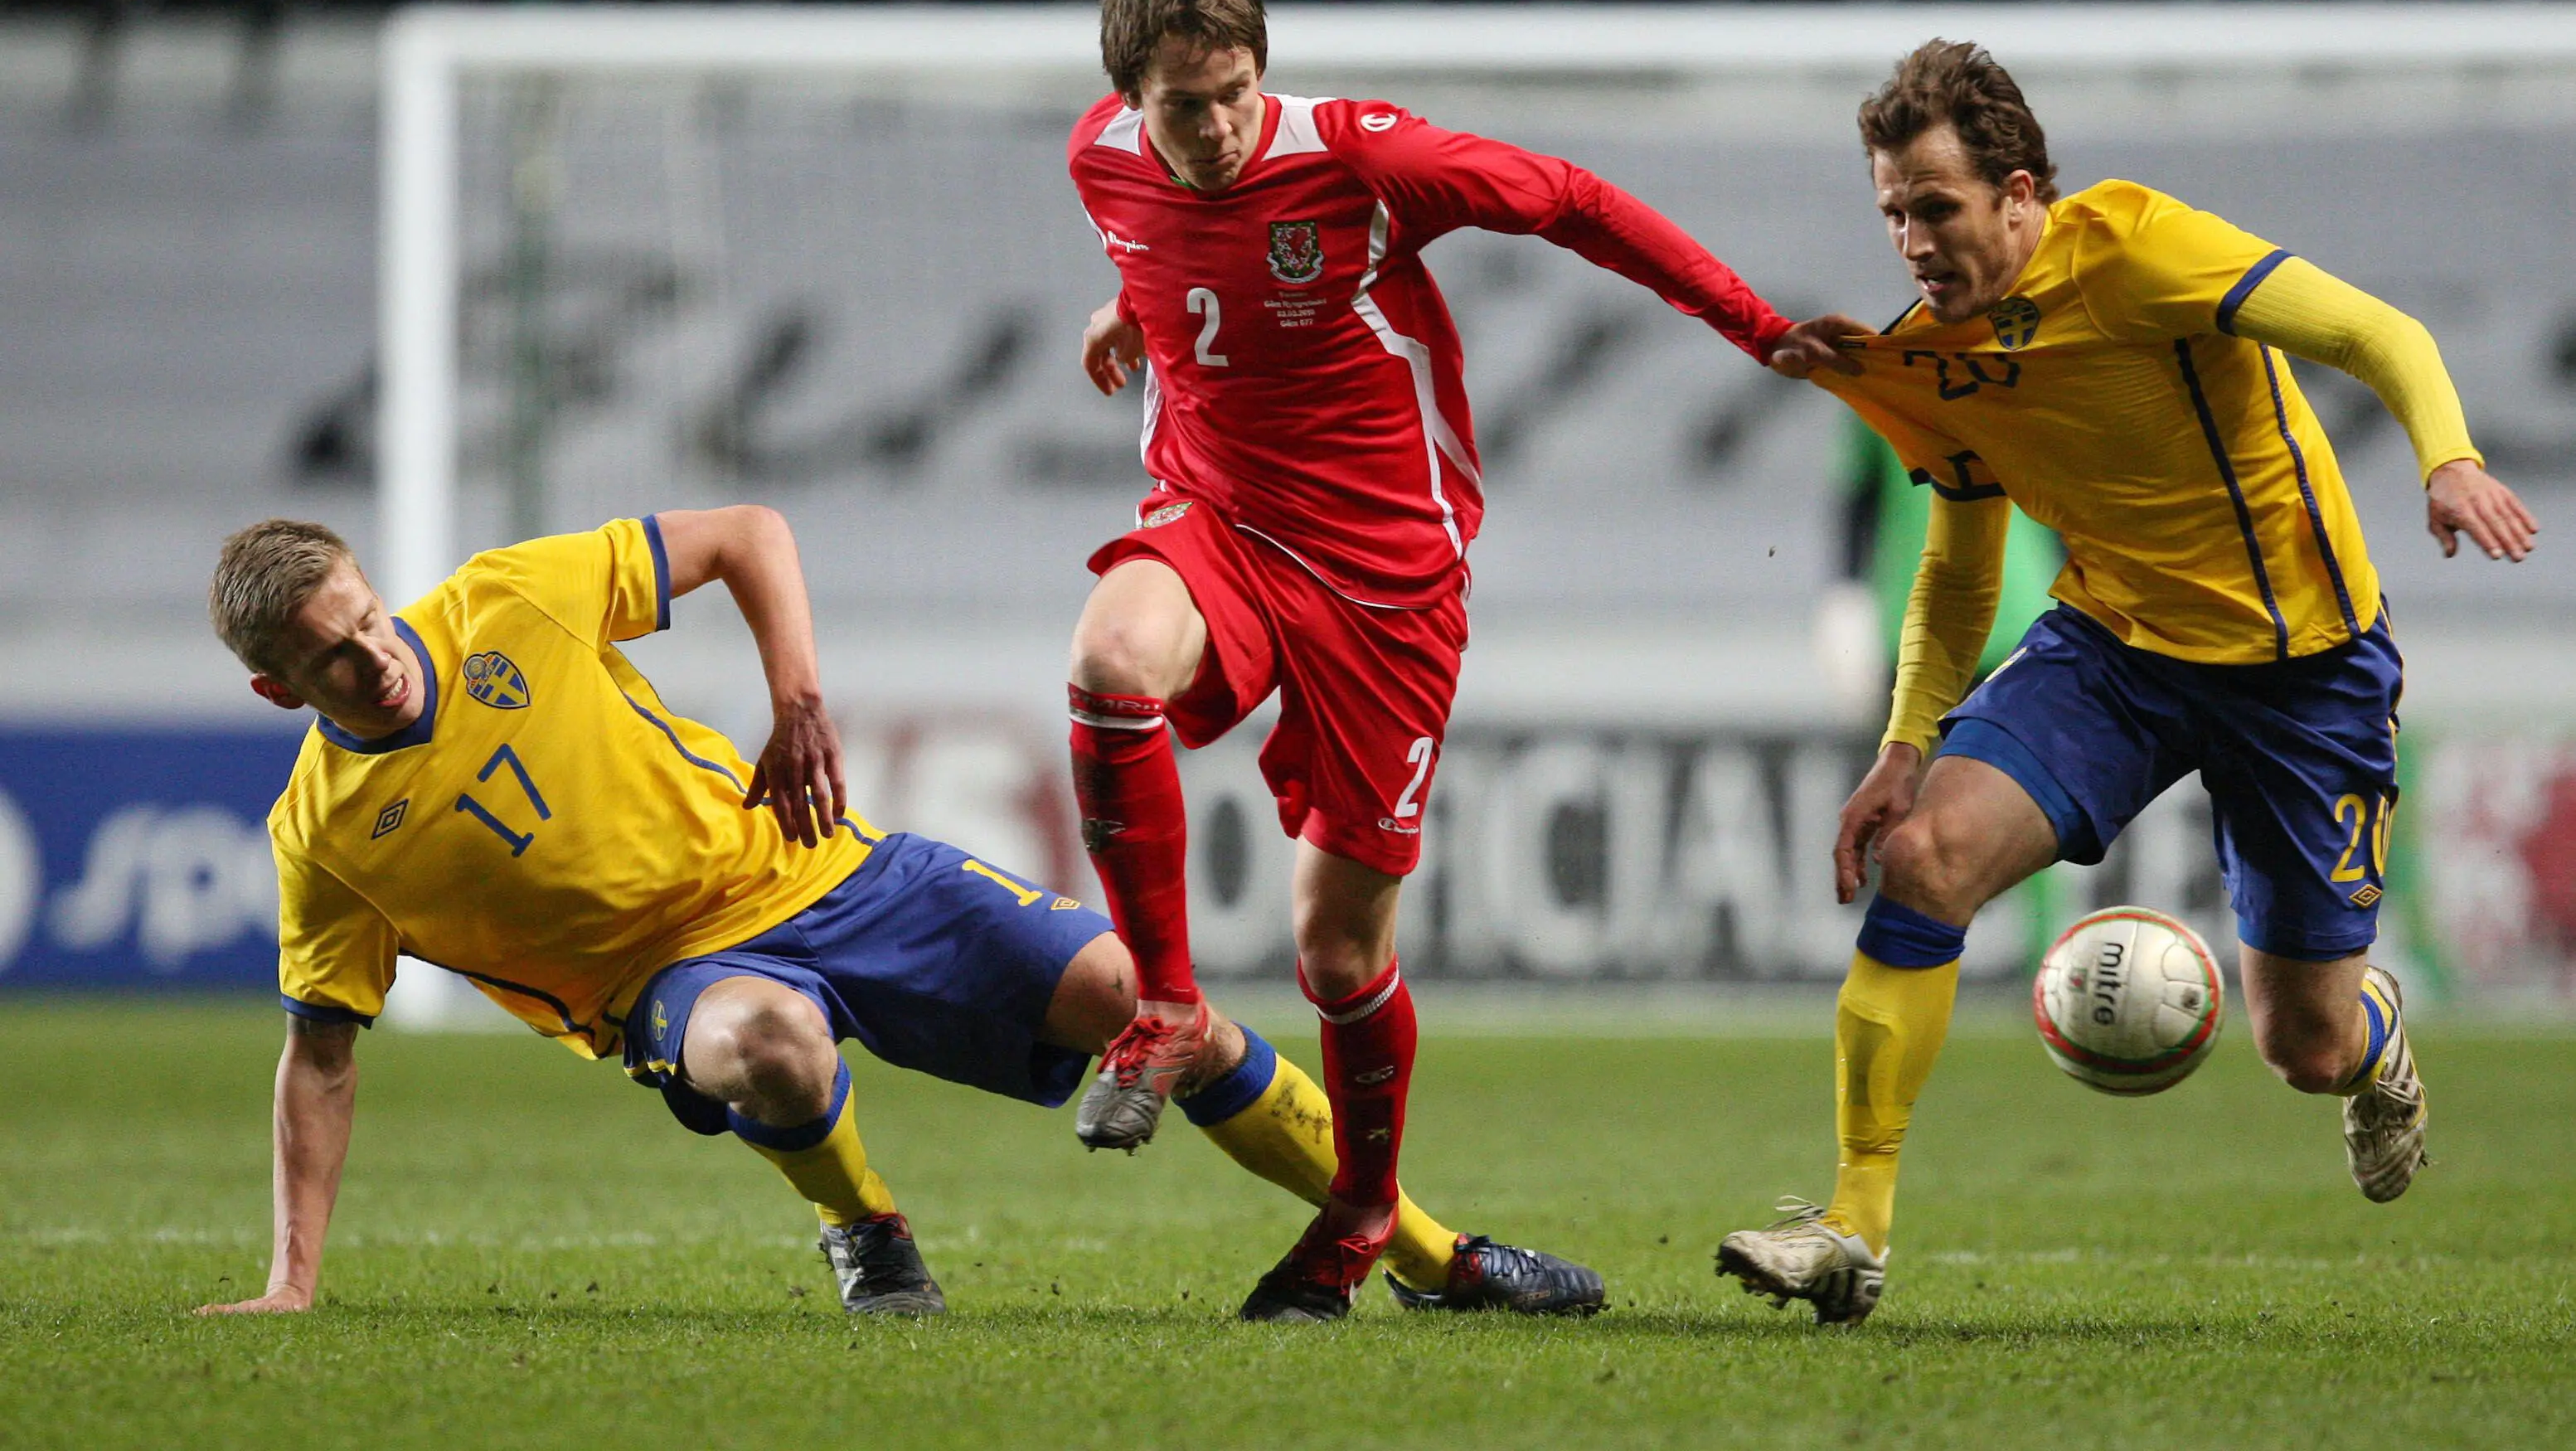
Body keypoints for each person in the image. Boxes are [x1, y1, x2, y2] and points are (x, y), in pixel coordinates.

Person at [192, 507, 1602, 1320]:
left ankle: (1433, 1258)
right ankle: (868, 1232)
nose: (373, 655)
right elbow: (321, 1054)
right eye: (329, 657)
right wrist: (291, 1284)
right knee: (767, 1046)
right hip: (676, 980)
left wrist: (800, 701)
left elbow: (750, 533)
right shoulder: (324, 844)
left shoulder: (507, 600)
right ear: (279, 690)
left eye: (367, 617)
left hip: (835, 870)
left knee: (1141, 1002)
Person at [1060, 0, 1854, 1319]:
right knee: (1108, 658)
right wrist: (1131, 310)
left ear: (1266, 72)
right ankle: (1169, 1010)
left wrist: (1749, 326)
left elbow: (1572, 201)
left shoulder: (1365, 158)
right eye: (1183, 106)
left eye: (1237, 93)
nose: (1217, 128)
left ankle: (1364, 1216)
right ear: (1129, 97)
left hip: (1385, 579)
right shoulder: (1101, 160)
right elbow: (1175, 250)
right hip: (1220, 519)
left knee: (1337, 951)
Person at [1718, 39, 2538, 1326]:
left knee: (2302, 1049)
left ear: (2020, 195)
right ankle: (1851, 1226)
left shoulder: (2143, 251)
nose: (1913, 242)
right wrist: (1902, 743)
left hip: (2301, 670)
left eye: (1935, 207)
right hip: (2113, 650)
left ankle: (2370, 1032)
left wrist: (2447, 457)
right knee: (1925, 856)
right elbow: (1956, 560)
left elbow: (2380, 331)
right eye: (1890, 214)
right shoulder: (1931, 351)